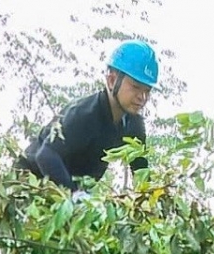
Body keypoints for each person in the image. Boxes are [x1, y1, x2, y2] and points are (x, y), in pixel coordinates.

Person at [15, 39, 158, 192]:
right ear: (111, 80)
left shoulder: (134, 126)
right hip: (28, 183)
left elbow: (140, 172)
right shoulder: (84, 114)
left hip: (69, 192)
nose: (142, 97)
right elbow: (46, 155)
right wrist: (75, 197)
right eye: (135, 87)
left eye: (147, 90)